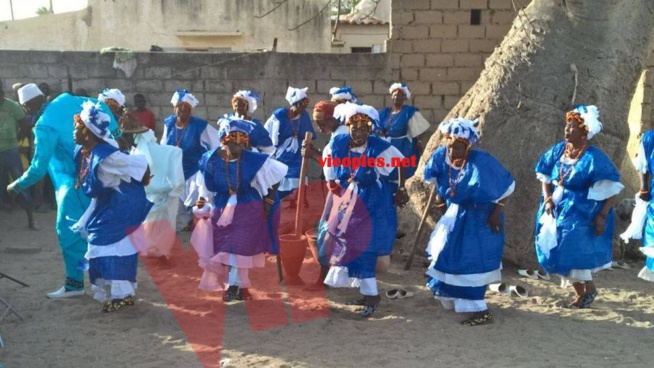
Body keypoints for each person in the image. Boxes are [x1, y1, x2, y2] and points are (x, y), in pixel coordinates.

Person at [7, 84, 120, 298]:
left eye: (25, 107)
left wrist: (17, 185)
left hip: (74, 187)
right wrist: (114, 136)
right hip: (102, 180)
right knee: (101, 232)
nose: (26, 112)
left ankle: (76, 285)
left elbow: (38, 168)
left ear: (30, 104)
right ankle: (112, 284)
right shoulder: (67, 99)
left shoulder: (44, 125)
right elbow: (103, 110)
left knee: (69, 234)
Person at [319, 102, 408, 318]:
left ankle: (372, 295)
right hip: (349, 197)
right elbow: (330, 168)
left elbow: (401, 164)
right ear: (348, 127)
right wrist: (333, 185)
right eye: (354, 128)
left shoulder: (378, 146)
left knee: (365, 244)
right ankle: (365, 291)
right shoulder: (339, 143)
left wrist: (400, 188)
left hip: (374, 200)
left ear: (369, 129)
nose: (358, 132)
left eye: (363, 128)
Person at [423, 118, 515, 326]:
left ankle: (479, 310)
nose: (455, 150)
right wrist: (441, 205)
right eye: (451, 145)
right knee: (448, 255)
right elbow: (437, 183)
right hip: (455, 215)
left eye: (460, 146)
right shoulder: (442, 157)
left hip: (481, 218)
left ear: (468, 145)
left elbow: (507, 188)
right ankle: (455, 298)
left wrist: (494, 214)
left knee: (472, 260)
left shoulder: (482, 161)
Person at [534, 105, 623, 308]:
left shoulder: (594, 158)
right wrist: (547, 198)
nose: (567, 130)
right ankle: (581, 293)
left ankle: (589, 288)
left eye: (572, 127)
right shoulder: (559, 150)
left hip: (581, 209)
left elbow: (612, 189)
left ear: (584, 133)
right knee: (555, 249)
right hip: (557, 205)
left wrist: (602, 216)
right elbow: (545, 175)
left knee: (571, 247)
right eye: (567, 125)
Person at [190, 117, 288, 301]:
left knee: (239, 247)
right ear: (224, 142)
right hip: (221, 206)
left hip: (248, 207)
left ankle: (233, 287)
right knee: (225, 247)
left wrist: (268, 200)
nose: (238, 149)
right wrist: (202, 205)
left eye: (241, 145)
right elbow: (203, 187)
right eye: (233, 145)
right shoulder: (209, 160)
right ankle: (240, 287)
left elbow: (277, 174)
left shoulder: (252, 159)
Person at [71, 101, 152, 312]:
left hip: (125, 201)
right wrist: (86, 217)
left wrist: (143, 181)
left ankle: (122, 295)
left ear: (88, 132)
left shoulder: (107, 155)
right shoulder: (85, 151)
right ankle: (116, 292)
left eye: (78, 128)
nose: (74, 132)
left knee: (113, 244)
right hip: (110, 201)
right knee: (101, 241)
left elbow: (141, 164)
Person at [120, 112, 184, 258]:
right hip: (147, 195)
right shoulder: (134, 153)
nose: (125, 139)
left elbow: (173, 176)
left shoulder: (155, 152)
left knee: (160, 229)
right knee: (149, 229)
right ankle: (153, 251)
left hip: (161, 194)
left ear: (136, 136)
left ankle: (161, 253)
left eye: (128, 136)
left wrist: (167, 191)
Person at [161, 89, 220, 231]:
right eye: (179, 109)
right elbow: (163, 143)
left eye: (186, 109)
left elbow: (216, 142)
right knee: (176, 197)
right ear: (174, 108)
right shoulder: (169, 123)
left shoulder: (199, 125)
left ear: (191, 111)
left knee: (200, 193)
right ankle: (187, 223)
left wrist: (210, 161)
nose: (182, 112)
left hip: (194, 168)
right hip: (175, 168)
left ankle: (203, 222)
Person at [264, 86, 316, 208]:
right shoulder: (279, 116)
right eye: (301, 104)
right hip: (281, 153)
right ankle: (279, 199)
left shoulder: (304, 116)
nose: (304, 107)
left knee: (298, 175)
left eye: (305, 104)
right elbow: (268, 134)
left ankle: (297, 200)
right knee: (281, 175)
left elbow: (308, 134)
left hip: (297, 153)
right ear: (294, 104)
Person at [376, 82, 430, 191]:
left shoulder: (408, 112)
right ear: (391, 96)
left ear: (404, 98)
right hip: (387, 146)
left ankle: (402, 188)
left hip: (403, 145)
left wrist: (419, 141)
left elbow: (422, 127)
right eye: (395, 95)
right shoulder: (384, 112)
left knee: (402, 167)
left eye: (400, 96)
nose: (397, 97)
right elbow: (376, 125)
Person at [0, 79, 38, 229]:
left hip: (10, 150)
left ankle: (31, 219)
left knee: (20, 183)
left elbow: (26, 124)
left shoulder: (12, 106)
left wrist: (18, 138)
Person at [224, 90, 274, 154]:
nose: (238, 108)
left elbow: (266, 146)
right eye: (236, 106)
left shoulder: (255, 125)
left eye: (241, 106)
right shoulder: (228, 122)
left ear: (247, 107)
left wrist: (251, 149)